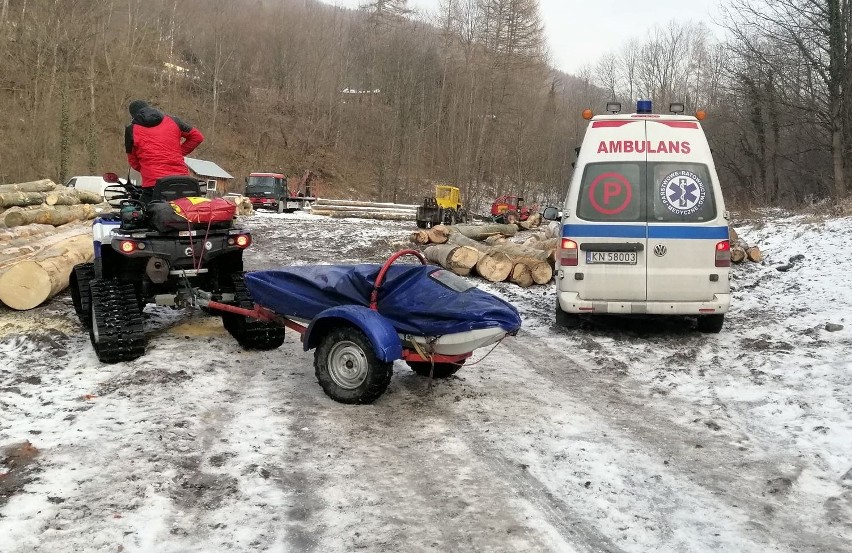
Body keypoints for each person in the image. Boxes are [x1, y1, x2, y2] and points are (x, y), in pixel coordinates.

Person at [124, 100, 204, 204]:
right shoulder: (174, 121)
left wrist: (148, 167)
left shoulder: (131, 130)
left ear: (133, 116)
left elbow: (133, 161)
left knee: (142, 214)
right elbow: (197, 137)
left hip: (153, 186)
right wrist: (177, 153)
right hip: (183, 182)